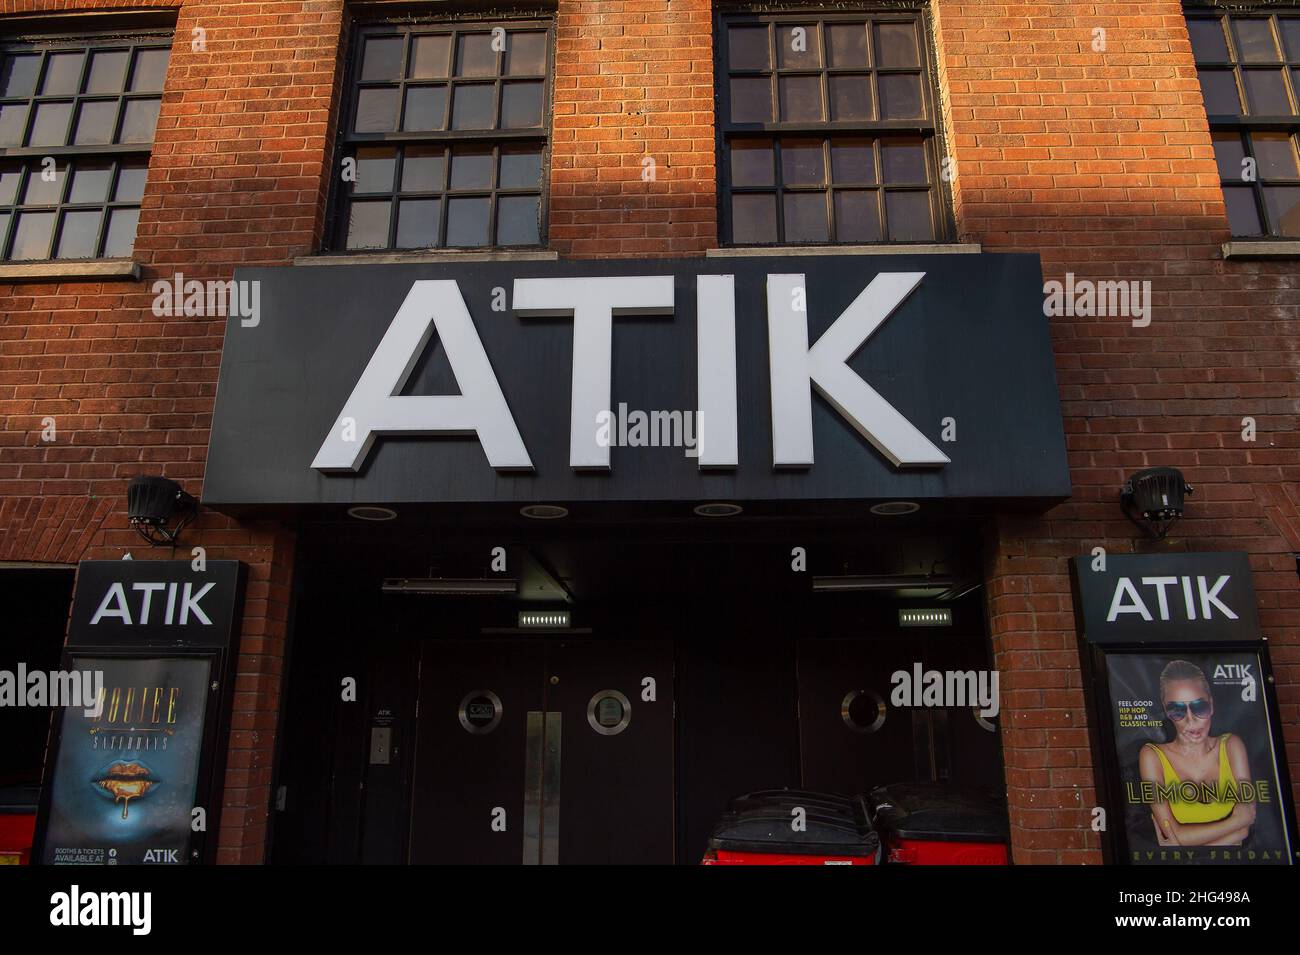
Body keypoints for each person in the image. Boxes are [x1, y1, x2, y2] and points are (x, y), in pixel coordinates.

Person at [1138, 659, 1255, 847]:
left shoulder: (1232, 746)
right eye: (1177, 710)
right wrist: (1235, 824)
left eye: (1199, 707)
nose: (1190, 720)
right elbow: (1243, 821)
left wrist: (1183, 847)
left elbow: (1246, 826)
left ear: (1212, 705)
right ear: (1166, 711)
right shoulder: (1151, 756)